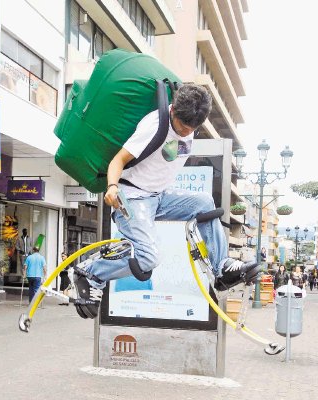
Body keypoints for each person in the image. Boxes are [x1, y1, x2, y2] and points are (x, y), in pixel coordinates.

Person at [72, 84, 259, 319]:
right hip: (132, 197)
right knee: (149, 258)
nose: (186, 132)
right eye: (182, 127)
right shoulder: (153, 126)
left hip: (159, 196)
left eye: (192, 129)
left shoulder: (189, 120)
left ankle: (221, 269)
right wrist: (111, 187)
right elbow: (117, 160)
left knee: (204, 202)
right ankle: (90, 273)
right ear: (172, 112)